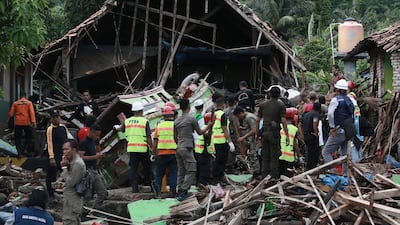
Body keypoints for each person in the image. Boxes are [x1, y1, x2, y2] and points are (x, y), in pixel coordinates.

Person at [174, 99, 212, 201]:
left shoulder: (176, 120)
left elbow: (174, 137)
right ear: (188, 107)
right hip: (187, 147)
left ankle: (179, 189)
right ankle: (184, 191)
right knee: (192, 169)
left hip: (178, 147)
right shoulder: (191, 119)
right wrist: (209, 126)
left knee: (181, 170)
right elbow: (200, 132)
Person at [117, 101, 153, 193]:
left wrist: (116, 127)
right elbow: (148, 136)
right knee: (147, 167)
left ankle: (135, 188)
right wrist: (152, 148)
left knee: (133, 168)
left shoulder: (127, 121)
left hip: (132, 148)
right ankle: (149, 185)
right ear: (141, 111)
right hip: (143, 148)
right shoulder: (144, 121)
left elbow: (122, 129)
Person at [256, 86, 289, 179]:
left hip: (264, 132)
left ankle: (264, 175)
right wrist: (287, 135)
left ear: (269, 94)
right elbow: (283, 120)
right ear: (279, 95)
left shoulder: (263, 105)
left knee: (265, 154)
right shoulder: (281, 105)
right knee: (274, 156)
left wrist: (257, 134)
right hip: (274, 133)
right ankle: (273, 177)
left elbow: (257, 120)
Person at [322, 79, 354, 169]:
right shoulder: (349, 100)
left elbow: (330, 113)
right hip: (348, 131)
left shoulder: (336, 100)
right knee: (344, 155)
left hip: (338, 130)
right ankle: (346, 176)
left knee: (326, 152)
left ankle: (332, 172)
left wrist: (332, 127)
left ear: (337, 89)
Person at [45, 110, 73, 203]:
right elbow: (49, 143)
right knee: (51, 175)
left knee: (66, 173)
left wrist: (67, 154)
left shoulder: (63, 128)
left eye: (58, 117)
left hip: (62, 154)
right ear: (51, 119)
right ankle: (50, 194)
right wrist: (51, 157)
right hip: (54, 154)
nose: (56, 119)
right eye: (54, 117)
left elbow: (67, 140)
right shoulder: (50, 129)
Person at [78, 124, 107, 210]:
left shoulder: (94, 141)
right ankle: (84, 212)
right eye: (96, 135)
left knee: (102, 192)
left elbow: (96, 151)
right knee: (87, 195)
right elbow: (81, 157)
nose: (97, 137)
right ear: (91, 132)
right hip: (86, 172)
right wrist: (95, 157)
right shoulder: (84, 143)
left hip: (94, 170)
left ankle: (94, 211)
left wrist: (98, 157)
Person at [152, 106, 178, 198]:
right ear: (173, 115)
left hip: (161, 154)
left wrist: (153, 154)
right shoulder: (176, 125)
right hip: (174, 153)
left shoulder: (159, 126)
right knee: (173, 173)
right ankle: (173, 193)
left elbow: (155, 141)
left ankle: (158, 193)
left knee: (159, 174)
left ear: (163, 116)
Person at [60, 139, 86, 225]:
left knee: (69, 221)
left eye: (67, 149)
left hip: (73, 200)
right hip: (70, 199)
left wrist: (64, 168)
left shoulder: (78, 163)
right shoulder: (73, 162)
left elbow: (71, 182)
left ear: (74, 150)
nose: (64, 152)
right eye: (63, 149)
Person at [212, 94, 235, 185]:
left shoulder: (213, 114)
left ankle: (217, 178)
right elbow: (225, 129)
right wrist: (230, 142)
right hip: (222, 141)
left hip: (214, 141)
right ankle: (218, 179)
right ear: (223, 105)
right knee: (221, 162)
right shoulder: (222, 115)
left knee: (217, 161)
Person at [233, 106, 260, 178]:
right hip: (252, 139)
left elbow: (254, 130)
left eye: (239, 116)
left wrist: (243, 138)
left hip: (255, 139)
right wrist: (243, 128)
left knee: (254, 155)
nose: (239, 118)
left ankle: (257, 173)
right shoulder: (246, 117)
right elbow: (250, 127)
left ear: (241, 113)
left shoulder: (249, 117)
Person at [7, 92, 36, 157]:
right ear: (25, 96)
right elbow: (32, 113)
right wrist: (33, 122)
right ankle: (25, 150)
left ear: (20, 96)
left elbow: (11, 114)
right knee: (29, 137)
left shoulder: (16, 103)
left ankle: (19, 153)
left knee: (18, 138)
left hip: (18, 123)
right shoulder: (29, 103)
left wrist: (8, 121)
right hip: (26, 122)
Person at [278, 108, 301, 177]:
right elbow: (295, 144)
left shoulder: (279, 126)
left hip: (279, 154)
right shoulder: (294, 129)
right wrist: (299, 155)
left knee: (279, 175)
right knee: (288, 177)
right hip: (289, 156)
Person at [195, 112, 214, 186]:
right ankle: (202, 184)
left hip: (201, 151)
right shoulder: (205, 128)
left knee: (200, 169)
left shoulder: (203, 127)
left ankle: (199, 183)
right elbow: (207, 136)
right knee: (204, 169)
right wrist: (210, 127)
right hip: (203, 152)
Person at [302, 102, 322, 170]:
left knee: (309, 151)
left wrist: (302, 134)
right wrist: (316, 133)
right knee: (314, 152)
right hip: (312, 135)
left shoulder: (307, 114)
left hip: (306, 135)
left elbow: (300, 124)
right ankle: (312, 168)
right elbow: (315, 122)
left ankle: (307, 167)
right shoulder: (316, 114)